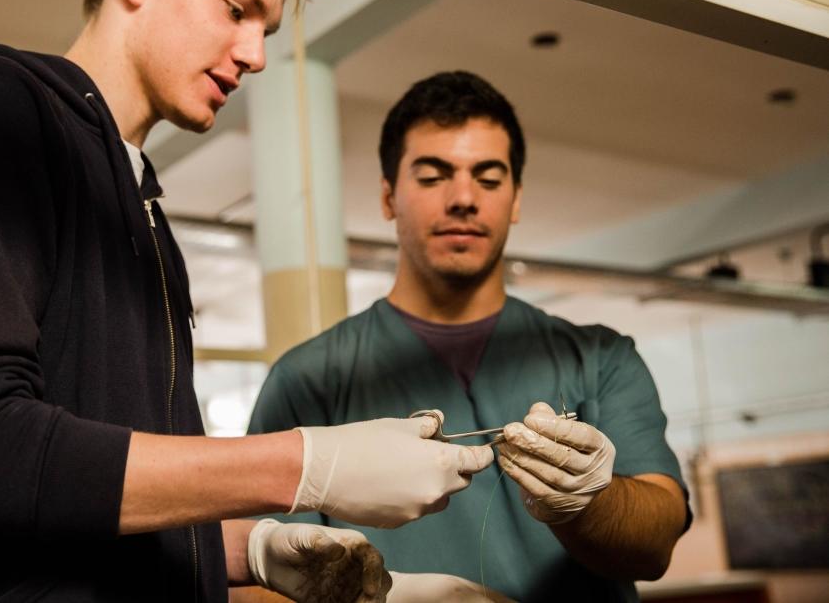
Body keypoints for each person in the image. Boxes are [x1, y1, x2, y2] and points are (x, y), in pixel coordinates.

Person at [0, 0, 494, 602]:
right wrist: (301, 464)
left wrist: (248, 547)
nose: (254, 54)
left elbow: (91, 501)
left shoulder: (142, 212)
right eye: (236, 9)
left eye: (267, 30)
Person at [247, 71, 692, 602]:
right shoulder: (309, 378)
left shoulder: (600, 358)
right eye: (433, 176)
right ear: (389, 196)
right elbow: (261, 575)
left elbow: (656, 544)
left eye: (488, 177)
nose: (463, 198)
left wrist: (586, 502)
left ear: (516, 198)